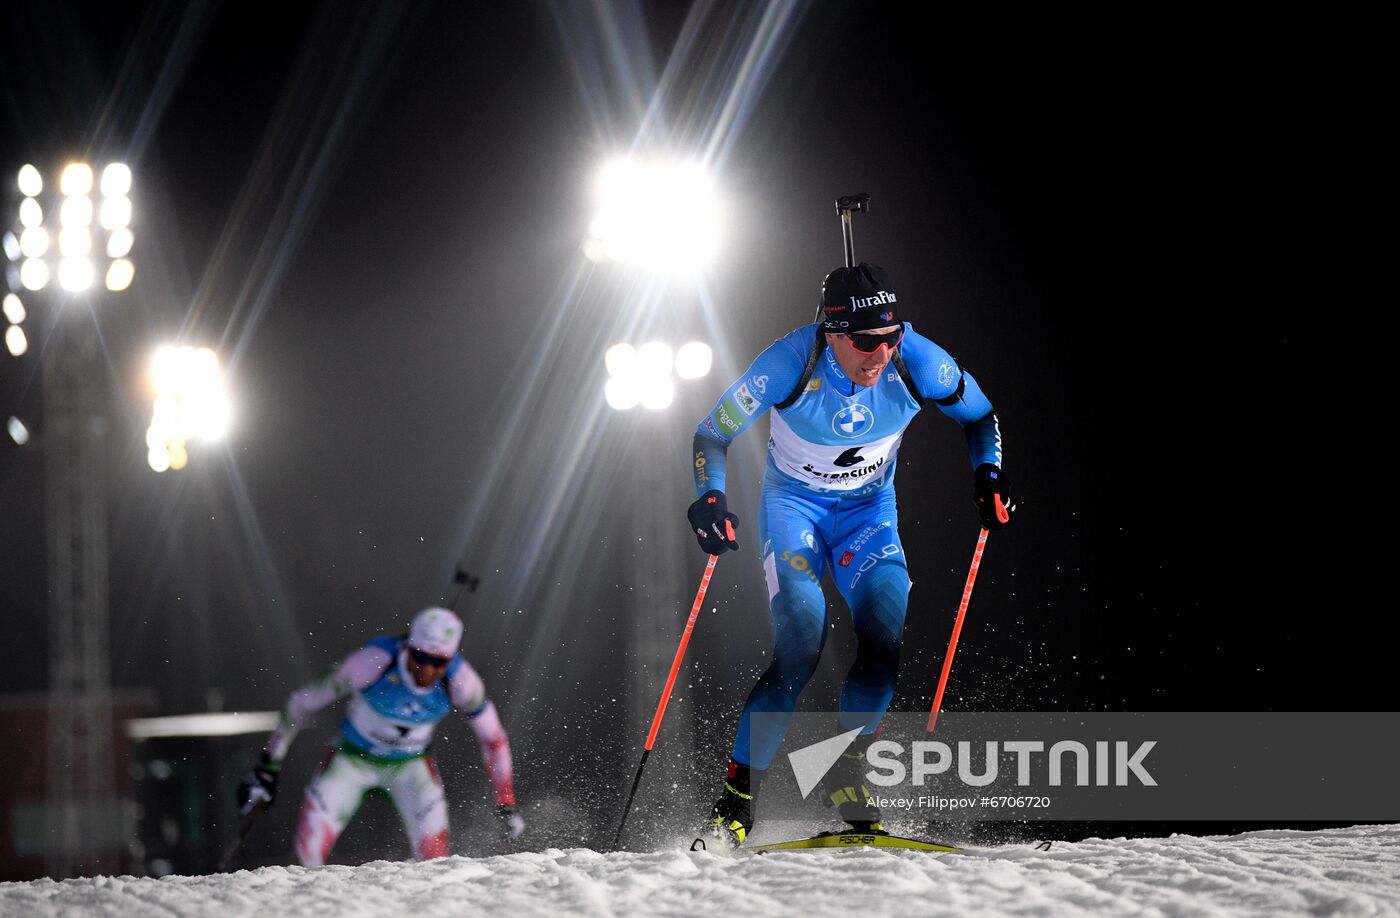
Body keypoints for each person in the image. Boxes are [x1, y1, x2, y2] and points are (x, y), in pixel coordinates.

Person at [686, 262, 1012, 847]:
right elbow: (712, 432)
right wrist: (711, 496)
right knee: (800, 648)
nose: (880, 354)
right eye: (864, 342)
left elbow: (981, 416)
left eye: (889, 338)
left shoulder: (919, 361)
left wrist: (988, 474)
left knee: (883, 647)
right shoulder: (791, 362)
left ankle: (845, 769)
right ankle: (736, 801)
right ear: (831, 332)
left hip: (869, 516)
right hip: (795, 513)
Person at [236, 606, 524, 865]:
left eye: (439, 662)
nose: (427, 669)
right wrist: (267, 769)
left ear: (451, 658)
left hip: (410, 766)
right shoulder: (374, 661)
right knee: (306, 856)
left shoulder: (463, 682)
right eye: (421, 657)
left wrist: (506, 802)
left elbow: (494, 739)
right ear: (409, 646)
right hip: (352, 760)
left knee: (437, 863)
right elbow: (301, 702)